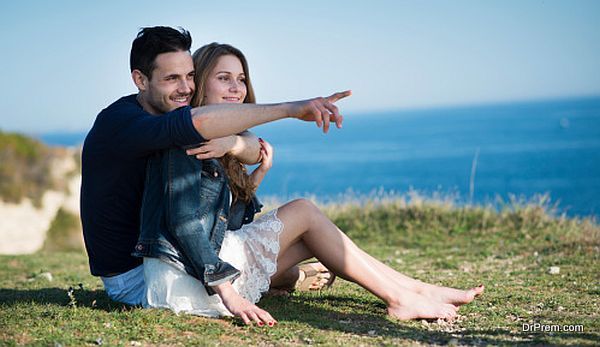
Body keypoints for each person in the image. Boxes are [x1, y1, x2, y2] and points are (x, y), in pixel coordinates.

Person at [135, 42, 485, 325]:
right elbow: (182, 224)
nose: (236, 88)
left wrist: (252, 181)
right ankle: (401, 298)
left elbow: (227, 225)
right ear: (200, 84)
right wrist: (228, 293)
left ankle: (417, 290)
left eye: (241, 79)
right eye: (223, 78)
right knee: (303, 211)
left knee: (313, 238)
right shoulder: (184, 136)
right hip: (189, 282)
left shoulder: (223, 138)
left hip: (199, 271)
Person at [81, 26, 349, 307]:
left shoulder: (165, 119)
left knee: (299, 236)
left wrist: (243, 154)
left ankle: (291, 277)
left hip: (169, 261)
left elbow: (225, 221)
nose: (185, 88)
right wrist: (290, 110)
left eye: (190, 76)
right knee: (304, 221)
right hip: (141, 277)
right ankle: (292, 277)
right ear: (140, 79)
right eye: (172, 78)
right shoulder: (127, 123)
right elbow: (195, 128)